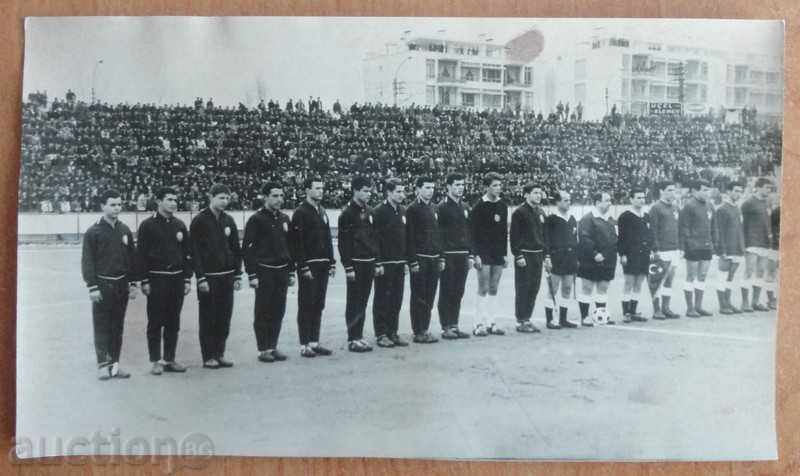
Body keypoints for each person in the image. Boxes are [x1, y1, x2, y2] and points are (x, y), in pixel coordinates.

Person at [81, 189, 138, 380]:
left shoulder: (124, 230)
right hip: (103, 286)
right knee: (102, 326)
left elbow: (131, 258)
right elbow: (87, 262)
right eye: (112, 204)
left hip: (121, 285)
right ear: (102, 206)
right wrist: (92, 286)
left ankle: (115, 365)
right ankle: (102, 365)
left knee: (117, 327)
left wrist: (133, 283)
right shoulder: (93, 232)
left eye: (119, 204)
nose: (116, 208)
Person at [136, 187, 192, 375]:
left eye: (175, 199)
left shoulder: (180, 225)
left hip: (176, 280)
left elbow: (187, 254)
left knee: (173, 321)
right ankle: (155, 360)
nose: (174, 203)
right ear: (159, 201)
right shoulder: (147, 225)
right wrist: (144, 280)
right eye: (169, 199)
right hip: (157, 278)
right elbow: (141, 255)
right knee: (155, 321)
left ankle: (169, 358)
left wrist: (186, 279)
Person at [190, 183, 243, 369]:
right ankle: (208, 356)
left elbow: (236, 249)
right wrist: (200, 277)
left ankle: (220, 353)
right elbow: (194, 252)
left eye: (227, 198)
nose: (224, 201)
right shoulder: (199, 221)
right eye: (221, 197)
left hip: (227, 276)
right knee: (208, 318)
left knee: (224, 317)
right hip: (209, 278)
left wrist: (238, 274)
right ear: (210, 197)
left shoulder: (229, 220)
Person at [243, 181, 296, 363]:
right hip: (264, 271)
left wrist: (291, 271)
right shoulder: (256, 220)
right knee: (263, 310)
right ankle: (262, 348)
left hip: (281, 271)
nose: (279, 199)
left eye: (281, 196)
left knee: (278, 310)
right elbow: (248, 249)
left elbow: (290, 247)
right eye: (274, 196)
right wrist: (252, 274)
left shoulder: (284, 219)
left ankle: (273, 346)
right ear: (265, 197)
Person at [290, 177, 336, 358]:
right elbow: (297, 243)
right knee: (306, 304)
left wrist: (331, 262)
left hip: (323, 264)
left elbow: (328, 239)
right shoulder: (300, 213)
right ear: (307, 191)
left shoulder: (322, 211)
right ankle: (304, 344)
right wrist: (303, 266)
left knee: (319, 304)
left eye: (322, 188)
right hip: (309, 266)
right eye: (317, 188)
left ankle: (315, 342)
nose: (320, 191)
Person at [337, 176, 378, 353]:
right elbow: (343, 242)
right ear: (355, 190)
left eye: (370, 191)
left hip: (369, 262)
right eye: (365, 191)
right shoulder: (347, 213)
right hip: (356, 263)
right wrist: (348, 266)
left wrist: (376, 260)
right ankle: (353, 338)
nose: (368, 194)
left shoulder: (370, 211)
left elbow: (374, 239)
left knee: (363, 301)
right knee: (354, 301)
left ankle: (359, 336)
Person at [406, 176, 444, 344]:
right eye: (427, 187)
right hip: (420, 259)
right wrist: (412, 260)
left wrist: (441, 256)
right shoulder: (412, 209)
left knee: (430, 295)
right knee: (419, 295)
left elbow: (439, 235)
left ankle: (425, 328)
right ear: (418, 189)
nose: (430, 191)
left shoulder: (435, 208)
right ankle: (418, 330)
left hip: (434, 259)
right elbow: (410, 237)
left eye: (432, 187)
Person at [470, 172, 508, 336]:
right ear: (486, 187)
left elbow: (503, 232)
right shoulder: (478, 206)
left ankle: (492, 322)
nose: (498, 188)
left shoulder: (503, 206)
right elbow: (473, 232)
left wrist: (505, 254)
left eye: (499, 185)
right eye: (494, 185)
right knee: (483, 287)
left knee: (494, 288)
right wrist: (475, 254)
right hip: (483, 252)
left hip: (497, 253)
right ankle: (479, 324)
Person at [436, 173, 474, 340]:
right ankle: (446, 326)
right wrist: (442, 256)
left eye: (462, 184)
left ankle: (454, 324)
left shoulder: (466, 207)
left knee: (459, 291)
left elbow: (471, 232)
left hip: (463, 255)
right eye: (457, 185)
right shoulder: (441, 207)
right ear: (449, 187)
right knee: (447, 290)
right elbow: (438, 235)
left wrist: (471, 254)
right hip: (449, 255)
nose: (460, 187)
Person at [372, 178, 409, 348]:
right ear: (388, 192)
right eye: (398, 192)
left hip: (400, 263)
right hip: (385, 264)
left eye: (403, 191)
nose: (402, 195)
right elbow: (375, 240)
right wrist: (378, 262)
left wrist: (406, 261)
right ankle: (381, 333)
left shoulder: (403, 211)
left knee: (396, 299)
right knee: (382, 298)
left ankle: (393, 332)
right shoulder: (379, 211)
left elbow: (405, 239)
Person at [510, 183, 548, 333]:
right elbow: (514, 236)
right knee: (523, 288)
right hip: (525, 255)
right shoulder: (519, 212)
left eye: (540, 193)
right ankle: (521, 321)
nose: (538, 195)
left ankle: (527, 318)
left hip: (538, 254)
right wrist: (518, 255)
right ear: (526, 195)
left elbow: (544, 236)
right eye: (535, 193)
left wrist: (546, 256)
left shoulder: (540, 211)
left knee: (534, 288)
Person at [577, 192, 618, 326]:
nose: (610, 203)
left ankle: (601, 315)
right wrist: (594, 254)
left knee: (603, 287)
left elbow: (614, 239)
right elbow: (584, 238)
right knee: (587, 288)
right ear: (597, 203)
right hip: (590, 259)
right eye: (606, 200)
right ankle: (584, 317)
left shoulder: (611, 219)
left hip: (608, 259)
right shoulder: (587, 219)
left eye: (610, 200)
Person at [679, 180, 715, 318]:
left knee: (702, 276)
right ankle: (690, 308)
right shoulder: (688, 206)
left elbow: (713, 226)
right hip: (693, 246)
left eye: (708, 190)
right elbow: (684, 227)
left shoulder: (709, 205)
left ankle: (699, 306)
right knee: (691, 276)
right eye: (704, 190)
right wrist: (687, 244)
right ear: (695, 191)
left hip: (706, 245)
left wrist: (713, 242)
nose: (707, 193)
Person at [543, 191, 579, 329]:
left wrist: (576, 258)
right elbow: (546, 239)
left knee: (567, 288)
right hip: (556, 257)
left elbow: (575, 240)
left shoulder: (572, 219)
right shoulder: (551, 219)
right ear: (557, 202)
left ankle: (563, 319)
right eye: (565, 200)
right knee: (553, 288)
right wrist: (547, 257)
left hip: (570, 258)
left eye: (569, 200)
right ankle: (550, 319)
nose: (568, 202)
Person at [617, 189, 651, 323]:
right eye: (638, 197)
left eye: (643, 197)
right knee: (629, 283)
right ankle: (626, 313)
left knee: (639, 283)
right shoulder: (625, 216)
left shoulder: (646, 216)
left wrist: (651, 250)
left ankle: (633, 311)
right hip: (631, 254)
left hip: (644, 254)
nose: (641, 200)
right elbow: (621, 237)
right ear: (631, 199)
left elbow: (649, 235)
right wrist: (623, 254)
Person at [648, 182, 681, 320]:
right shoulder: (655, 208)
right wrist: (655, 249)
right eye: (670, 190)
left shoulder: (675, 207)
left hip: (674, 248)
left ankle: (666, 308)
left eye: (674, 190)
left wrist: (680, 246)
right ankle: (656, 310)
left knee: (669, 280)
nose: (673, 192)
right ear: (662, 191)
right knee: (657, 280)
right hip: (662, 249)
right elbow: (653, 230)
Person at [741, 178, 774, 312]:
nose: (769, 190)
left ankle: (755, 302)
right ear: (758, 187)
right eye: (767, 187)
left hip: (764, 242)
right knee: (749, 271)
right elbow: (742, 224)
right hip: (752, 241)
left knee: (760, 272)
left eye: (770, 188)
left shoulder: (766, 202)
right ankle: (744, 303)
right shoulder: (748, 203)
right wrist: (743, 243)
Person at [713, 181, 745, 314]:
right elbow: (719, 231)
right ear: (728, 192)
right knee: (722, 276)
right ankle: (722, 305)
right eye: (736, 191)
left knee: (731, 277)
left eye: (740, 191)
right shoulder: (721, 209)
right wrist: (722, 250)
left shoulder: (737, 208)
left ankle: (728, 302)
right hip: (726, 249)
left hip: (737, 248)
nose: (738, 193)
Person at [767, 200, 780, 310]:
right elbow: (770, 227)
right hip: (775, 246)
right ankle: (771, 299)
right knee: (772, 272)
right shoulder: (778, 211)